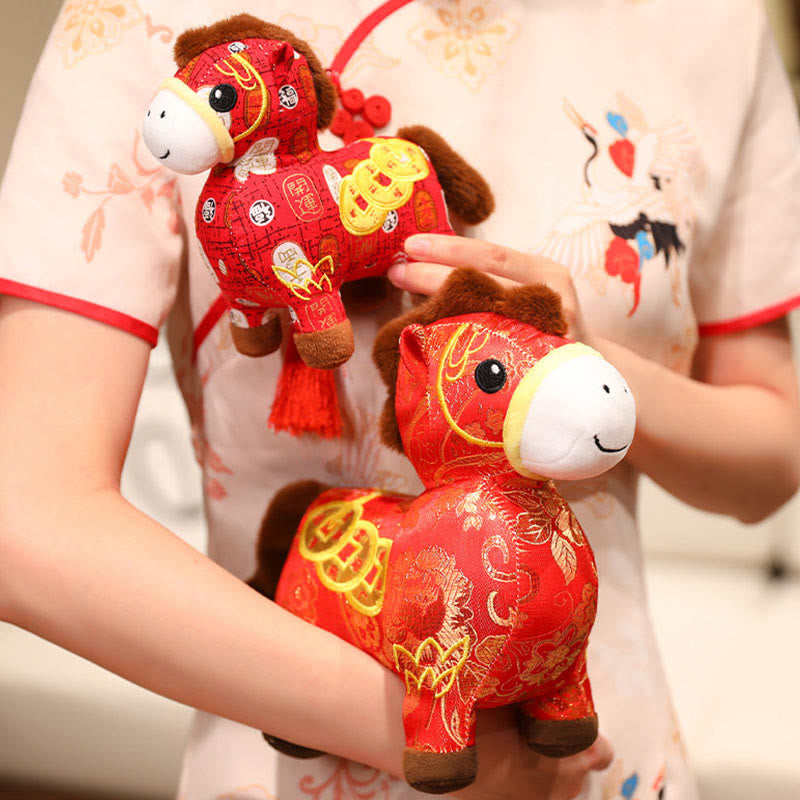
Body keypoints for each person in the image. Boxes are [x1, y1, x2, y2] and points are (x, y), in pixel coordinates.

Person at [1, 2, 799, 799]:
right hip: (298, 750)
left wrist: (580, 367)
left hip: (597, 747)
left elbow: (772, 460)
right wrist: (413, 728)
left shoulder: (709, 23)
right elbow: (27, 510)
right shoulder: (146, 17)